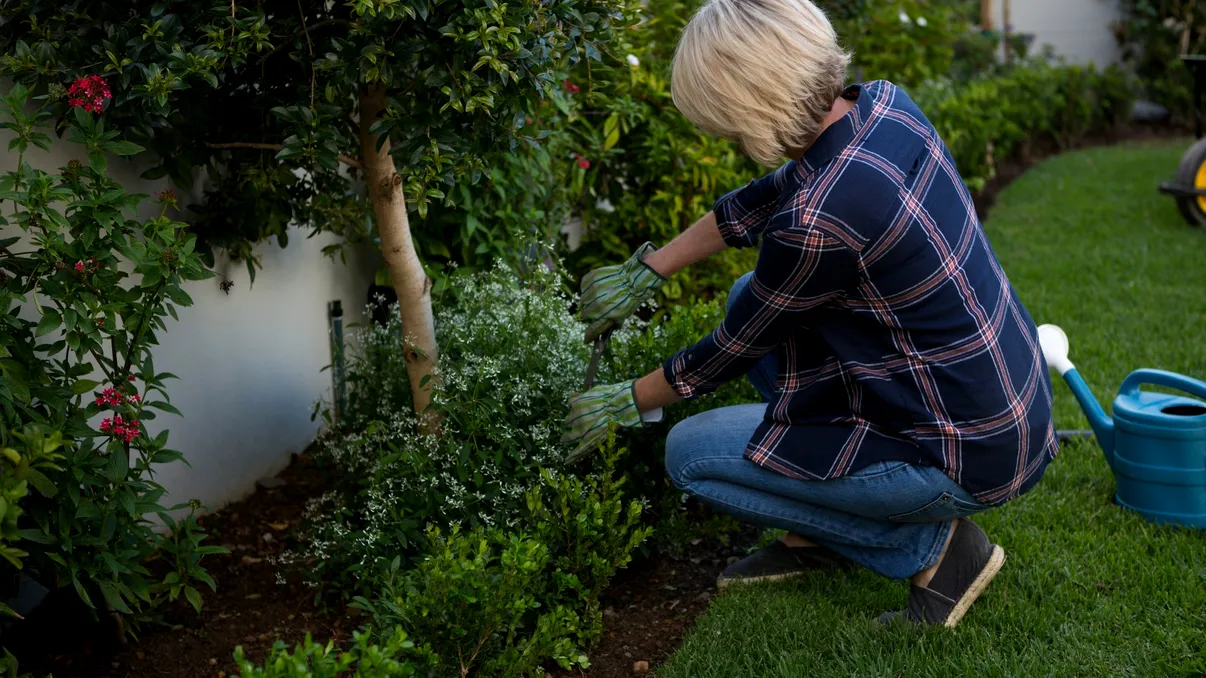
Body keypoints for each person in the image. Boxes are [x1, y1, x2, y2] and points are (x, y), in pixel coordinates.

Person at [561, 0, 1058, 628]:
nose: (725, 139)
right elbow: (765, 198)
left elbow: (733, 348)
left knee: (689, 454)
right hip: (1001, 407)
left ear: (748, 107)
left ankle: (936, 552)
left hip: (962, 452)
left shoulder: (818, 224)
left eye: (723, 123)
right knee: (746, 290)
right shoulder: (885, 105)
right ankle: (823, 533)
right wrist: (650, 267)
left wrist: (628, 399)